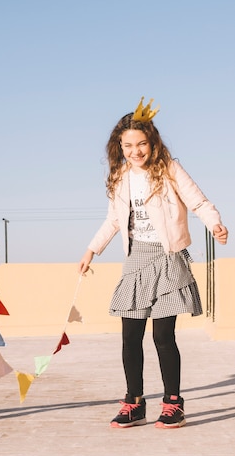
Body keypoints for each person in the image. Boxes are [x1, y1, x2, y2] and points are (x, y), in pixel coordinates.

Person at [78, 97, 228, 429]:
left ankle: (173, 402)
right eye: (129, 144)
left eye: (142, 143)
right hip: (135, 261)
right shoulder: (120, 177)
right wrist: (91, 250)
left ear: (152, 142)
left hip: (169, 258)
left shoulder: (169, 168)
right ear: (120, 145)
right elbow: (113, 221)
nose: (136, 150)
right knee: (130, 336)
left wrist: (214, 222)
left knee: (163, 337)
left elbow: (198, 200)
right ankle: (134, 402)